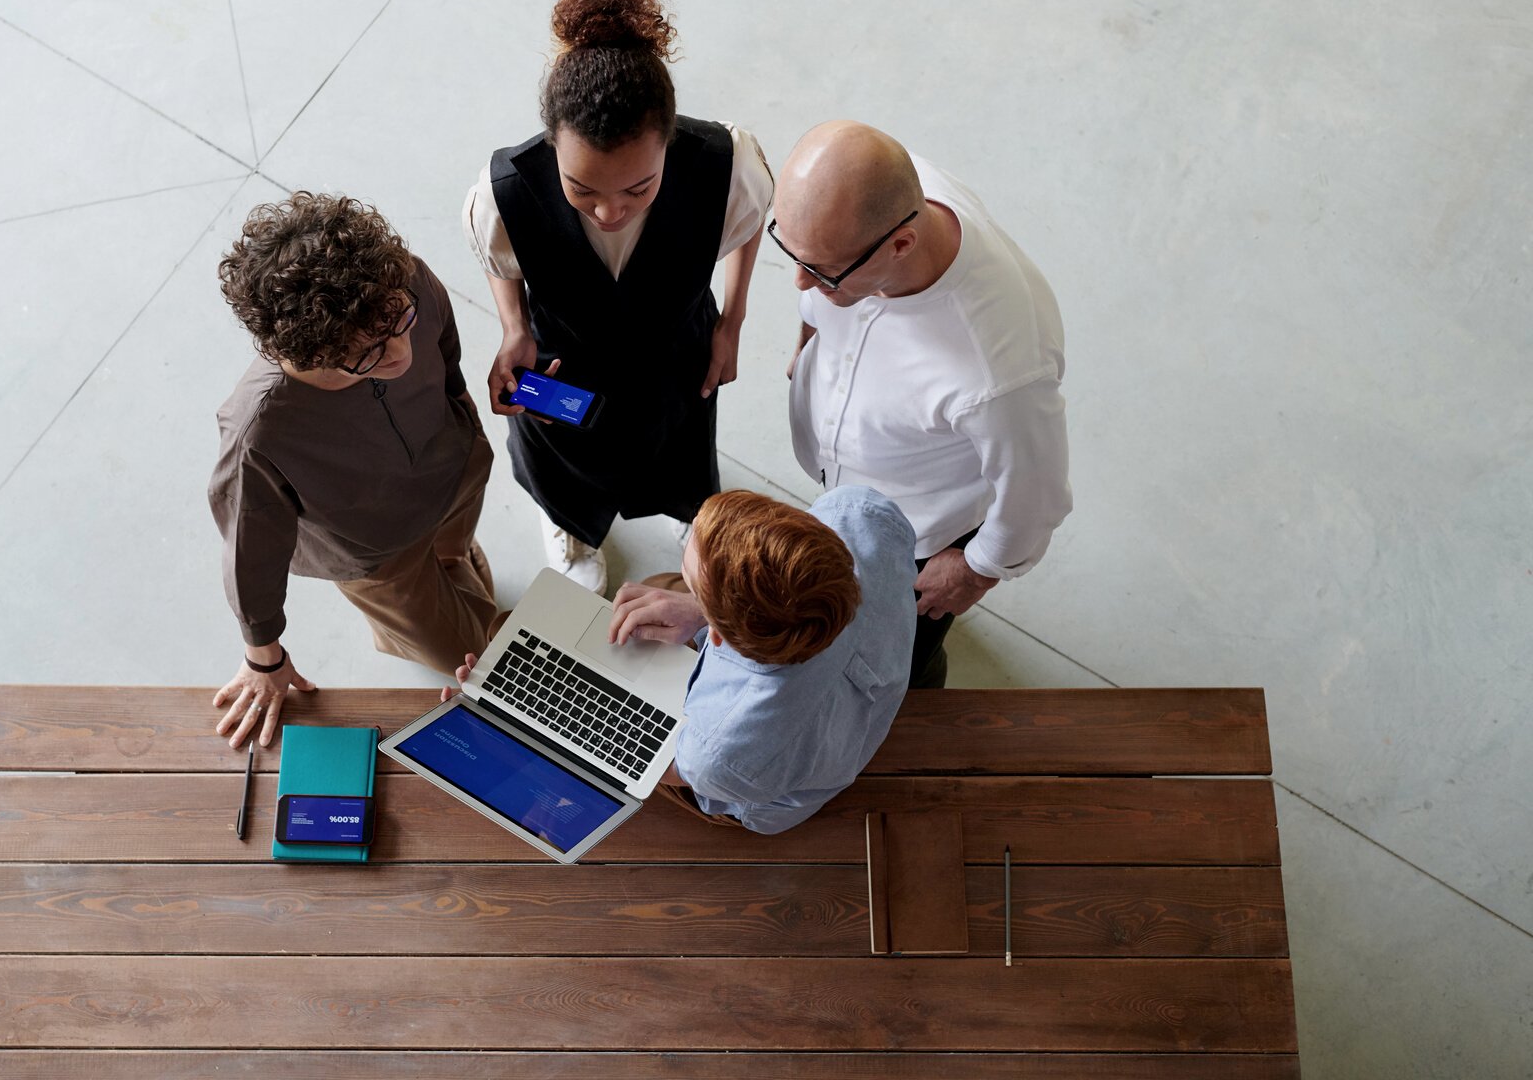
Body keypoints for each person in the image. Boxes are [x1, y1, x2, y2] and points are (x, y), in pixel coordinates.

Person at [462, 0, 773, 595]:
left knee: (680, 442)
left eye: (639, 188)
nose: (609, 212)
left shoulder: (725, 164)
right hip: (563, 359)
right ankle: (570, 524)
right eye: (582, 191)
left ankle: (691, 516)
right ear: (553, 147)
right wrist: (514, 328)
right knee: (563, 461)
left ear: (669, 141)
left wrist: (731, 322)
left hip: (675, 346)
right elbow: (503, 263)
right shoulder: (502, 195)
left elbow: (746, 229)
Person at [772, 121, 1071, 689]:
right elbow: (817, 282)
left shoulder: (1000, 371)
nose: (799, 284)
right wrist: (808, 340)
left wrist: (976, 571)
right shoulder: (877, 199)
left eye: (820, 271)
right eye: (791, 252)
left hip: (915, 537)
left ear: (900, 245)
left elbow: (1038, 493)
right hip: (852, 484)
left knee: (891, 666)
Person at [446, 487, 917, 834]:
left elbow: (666, 764)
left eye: (695, 586)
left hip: (764, 794)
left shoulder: (719, 754)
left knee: (506, 632)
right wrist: (698, 608)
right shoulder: (858, 514)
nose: (684, 580)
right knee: (643, 594)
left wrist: (519, 723)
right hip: (855, 705)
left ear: (719, 635)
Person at [208, 193, 497, 748]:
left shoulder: (398, 283)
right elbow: (249, 553)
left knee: (454, 550)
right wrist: (264, 658)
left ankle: (453, 560)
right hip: (379, 554)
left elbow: (441, 339)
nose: (399, 355)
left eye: (398, 321)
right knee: (467, 654)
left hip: (454, 466)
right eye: (365, 356)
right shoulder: (259, 433)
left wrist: (459, 399)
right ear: (307, 356)